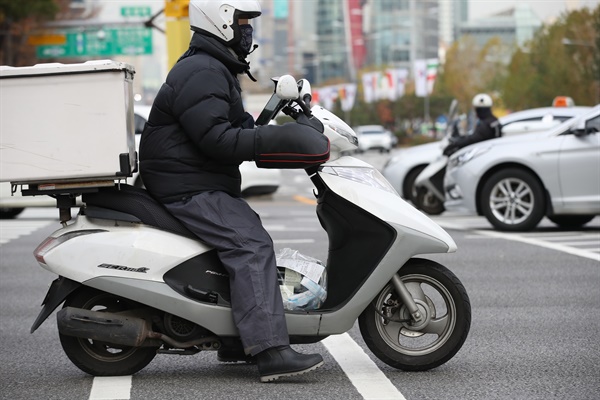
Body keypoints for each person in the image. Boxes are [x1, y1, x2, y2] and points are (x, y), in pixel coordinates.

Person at [139, 0, 329, 383]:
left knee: (241, 240)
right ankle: (270, 351)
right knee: (250, 244)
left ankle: (235, 339)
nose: (247, 29)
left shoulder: (213, 68)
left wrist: (281, 124)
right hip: (186, 185)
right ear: (221, 20)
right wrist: (273, 140)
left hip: (194, 179)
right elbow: (217, 139)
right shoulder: (202, 71)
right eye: (242, 20)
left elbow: (240, 128)